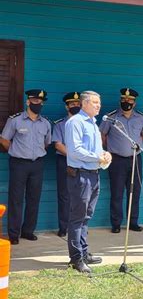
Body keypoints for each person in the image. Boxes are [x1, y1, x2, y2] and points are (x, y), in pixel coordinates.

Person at [65, 91, 112, 273]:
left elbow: (98, 149)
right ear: (84, 103)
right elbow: (75, 150)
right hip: (80, 175)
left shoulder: (93, 123)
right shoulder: (75, 122)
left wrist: (105, 155)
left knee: (86, 217)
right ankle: (75, 258)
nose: (98, 106)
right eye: (94, 102)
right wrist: (97, 157)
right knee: (77, 218)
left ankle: (84, 253)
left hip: (93, 174)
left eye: (99, 103)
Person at [0, 89, 51, 245]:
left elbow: (47, 143)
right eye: (35, 101)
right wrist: (16, 151)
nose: (38, 104)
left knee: (33, 198)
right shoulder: (15, 120)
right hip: (19, 164)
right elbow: (4, 140)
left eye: (41, 102)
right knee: (16, 199)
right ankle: (14, 234)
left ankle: (28, 231)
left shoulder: (46, 123)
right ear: (28, 101)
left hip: (37, 164)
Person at [100, 88, 143, 234]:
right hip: (117, 160)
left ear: (134, 103)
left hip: (135, 159)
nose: (126, 102)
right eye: (124, 99)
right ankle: (116, 223)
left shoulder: (140, 118)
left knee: (135, 191)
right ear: (120, 100)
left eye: (130, 100)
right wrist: (110, 149)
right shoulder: (111, 117)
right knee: (117, 192)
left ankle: (132, 222)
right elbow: (102, 135)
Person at [52, 91, 81, 237]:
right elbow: (58, 145)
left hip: (82, 163)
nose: (75, 106)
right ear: (66, 106)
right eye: (72, 104)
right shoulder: (59, 124)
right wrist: (75, 155)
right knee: (64, 195)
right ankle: (64, 227)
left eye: (77, 104)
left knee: (81, 195)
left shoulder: (86, 123)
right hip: (65, 161)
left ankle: (78, 227)